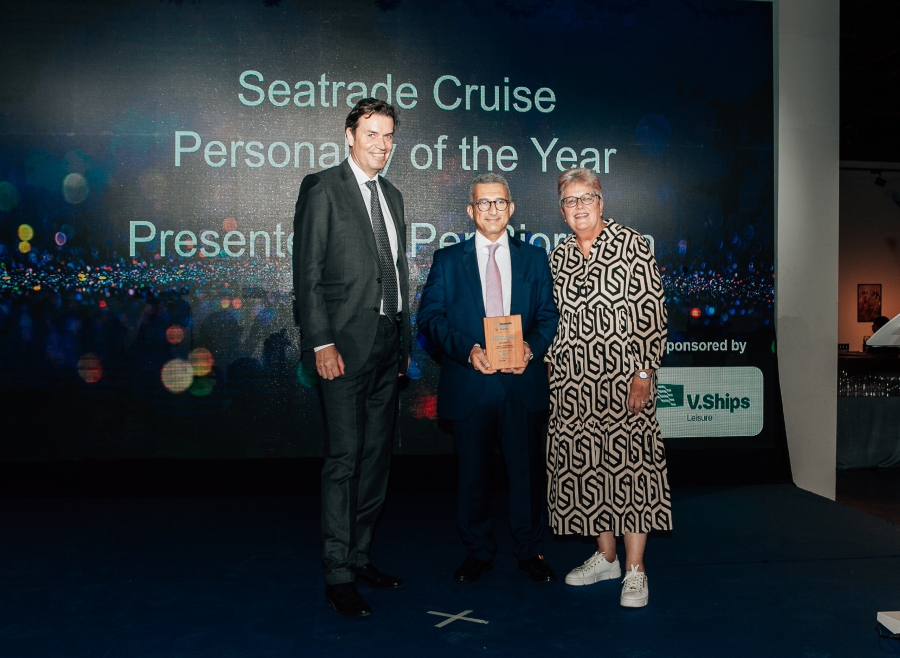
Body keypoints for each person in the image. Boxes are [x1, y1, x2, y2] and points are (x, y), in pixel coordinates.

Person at [293, 98, 411, 618]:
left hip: (388, 344)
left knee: (375, 460)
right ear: (349, 135)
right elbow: (308, 274)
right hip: (341, 348)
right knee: (344, 461)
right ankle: (337, 574)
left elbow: (395, 271)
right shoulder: (323, 188)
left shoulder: (394, 195)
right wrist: (320, 343)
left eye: (388, 136)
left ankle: (360, 558)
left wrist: (403, 343)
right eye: (371, 134)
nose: (381, 145)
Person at [418, 173, 560, 584]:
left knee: (526, 476)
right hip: (470, 382)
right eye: (484, 203)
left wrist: (530, 348)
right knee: (473, 477)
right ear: (471, 211)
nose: (492, 209)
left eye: (500, 202)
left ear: (511, 208)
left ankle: (529, 550)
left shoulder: (534, 258)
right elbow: (430, 317)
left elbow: (548, 315)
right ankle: (478, 551)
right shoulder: (447, 260)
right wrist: (467, 350)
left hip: (521, 383)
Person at [545, 167, 671, 608]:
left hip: (624, 381)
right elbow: (551, 319)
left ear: (601, 202)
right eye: (570, 200)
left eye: (586, 198)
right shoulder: (558, 257)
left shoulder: (633, 245)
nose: (579, 207)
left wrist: (643, 373)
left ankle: (635, 569)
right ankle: (607, 557)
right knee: (586, 469)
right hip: (572, 384)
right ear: (561, 210)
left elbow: (653, 314)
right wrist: (548, 365)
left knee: (632, 470)